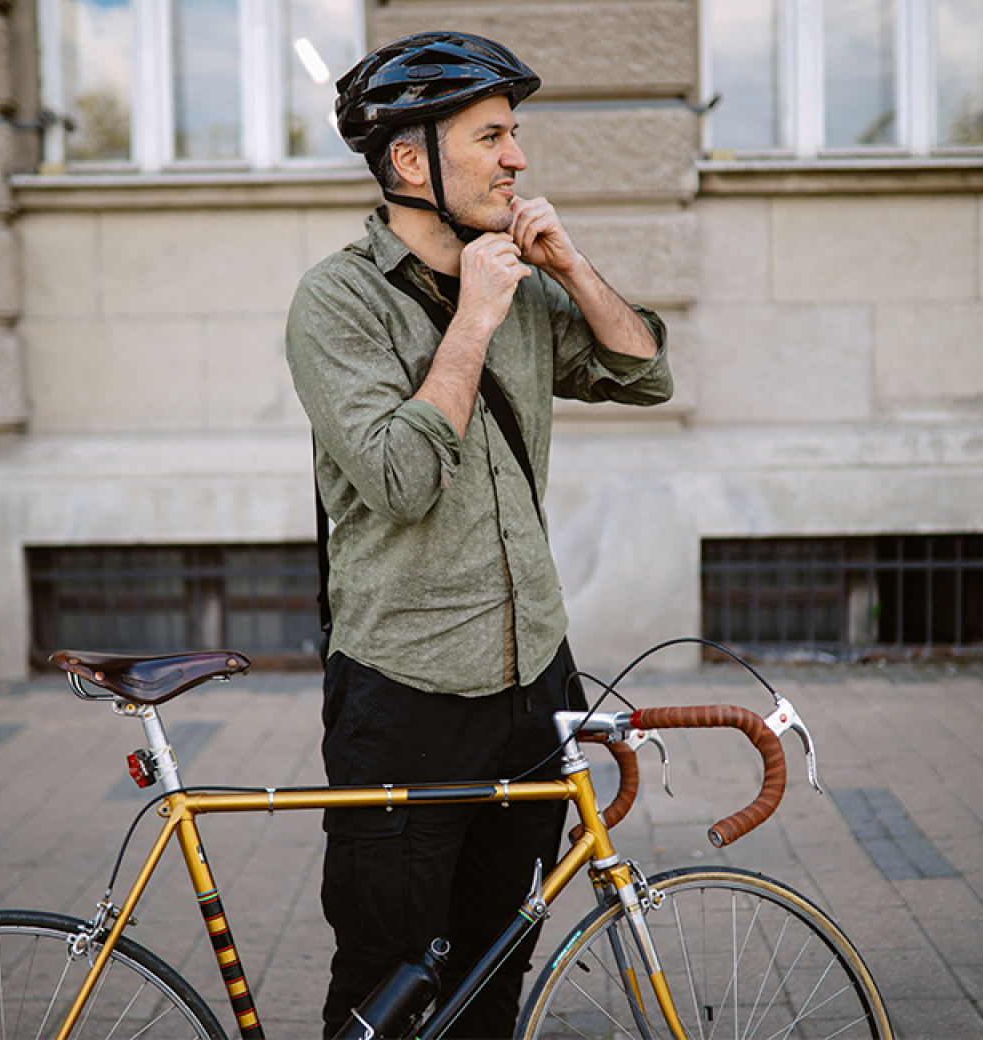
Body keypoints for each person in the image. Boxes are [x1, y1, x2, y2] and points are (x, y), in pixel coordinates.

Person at [285, 31, 673, 1038]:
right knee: (391, 983)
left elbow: (645, 371)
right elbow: (403, 480)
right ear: (411, 160)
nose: (517, 158)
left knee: (495, 974)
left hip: (532, 678)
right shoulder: (337, 302)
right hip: (406, 690)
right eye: (491, 135)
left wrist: (569, 266)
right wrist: (472, 320)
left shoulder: (525, 287)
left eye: (514, 134)